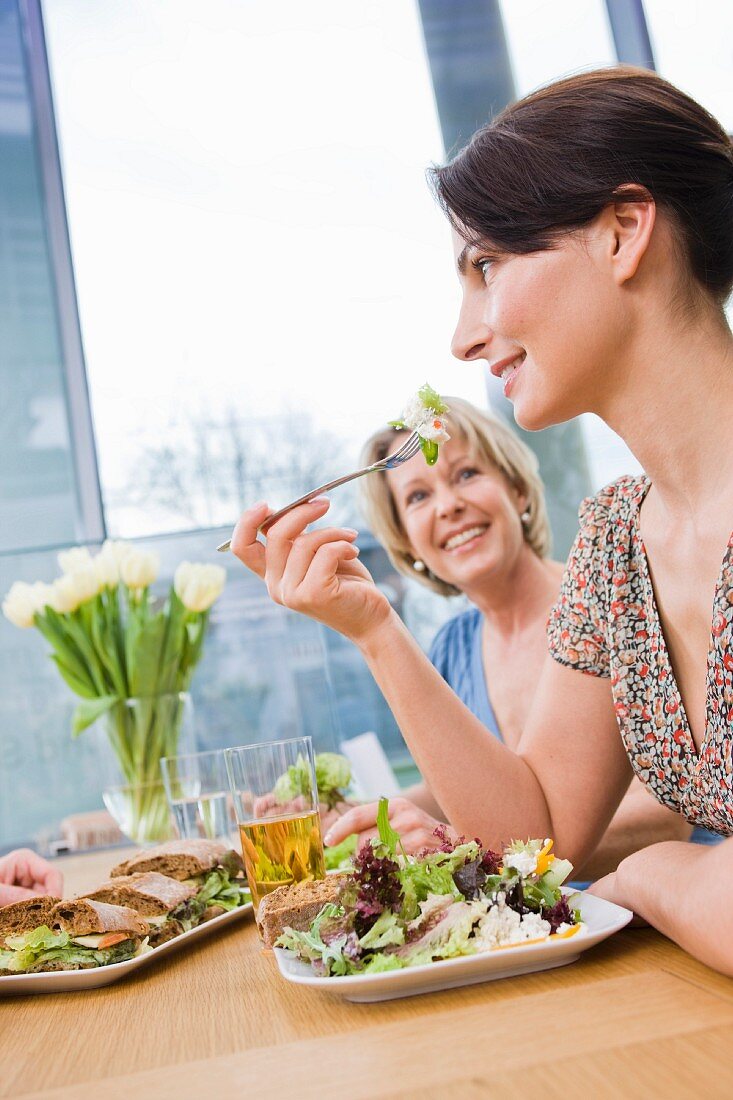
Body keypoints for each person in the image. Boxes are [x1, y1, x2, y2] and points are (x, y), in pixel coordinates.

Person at [231, 67, 733, 974]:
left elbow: (602, 867)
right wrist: (373, 629)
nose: (463, 336)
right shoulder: (616, 546)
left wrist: (657, 874)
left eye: (486, 266)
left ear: (623, 233)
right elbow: (537, 833)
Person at [357, 398, 691, 876]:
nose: (449, 505)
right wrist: (358, 812)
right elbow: (466, 783)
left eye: (466, 474)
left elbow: (666, 819)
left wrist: (477, 852)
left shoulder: (612, 605)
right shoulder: (450, 651)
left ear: (516, 489)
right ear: (407, 542)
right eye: (417, 497)